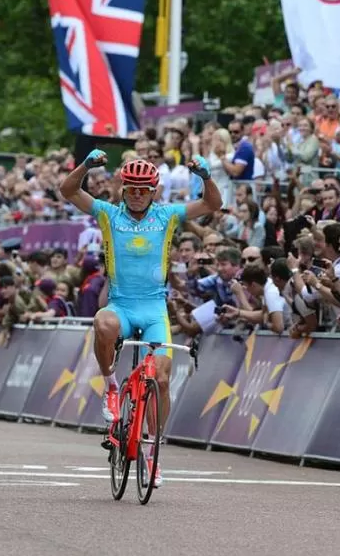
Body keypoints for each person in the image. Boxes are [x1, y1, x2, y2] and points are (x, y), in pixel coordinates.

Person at [59, 150, 221, 488]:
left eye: (143, 189)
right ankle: (112, 386)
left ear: (154, 191)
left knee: (161, 378)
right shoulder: (107, 214)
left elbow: (211, 205)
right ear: (122, 189)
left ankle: (152, 450)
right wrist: (86, 166)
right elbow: (68, 191)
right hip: (121, 304)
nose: (136, 194)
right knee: (103, 323)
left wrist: (205, 176)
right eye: (130, 187)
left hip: (154, 309)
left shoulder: (167, 216)